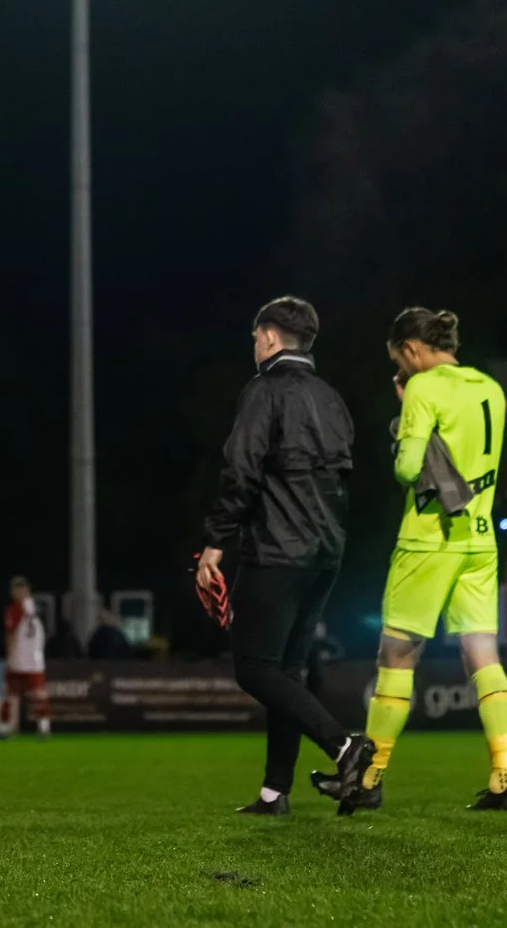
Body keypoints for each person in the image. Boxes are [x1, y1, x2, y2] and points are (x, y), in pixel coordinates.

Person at [326, 307, 507, 815]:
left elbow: (408, 468)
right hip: (479, 541)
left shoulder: (423, 389)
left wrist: (408, 409)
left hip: (429, 541)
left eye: (399, 362)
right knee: (483, 656)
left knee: (396, 660)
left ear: (411, 350)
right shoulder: (492, 389)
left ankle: (369, 780)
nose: (401, 372)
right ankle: (503, 779)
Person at [196, 296, 370, 817]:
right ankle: (275, 793)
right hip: (326, 552)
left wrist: (215, 542)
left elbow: (241, 471)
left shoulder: (263, 391)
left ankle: (344, 747)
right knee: (287, 674)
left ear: (270, 337)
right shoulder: (331, 397)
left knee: (255, 669)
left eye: (255, 337)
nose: (253, 345)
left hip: (278, 550)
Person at [0, 577, 50, 738]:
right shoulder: (39, 607)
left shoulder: (14, 609)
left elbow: (11, 634)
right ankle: (43, 727)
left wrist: (9, 657)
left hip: (19, 658)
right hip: (35, 659)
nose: (18, 592)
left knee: (10, 694)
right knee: (37, 694)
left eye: (20, 589)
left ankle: (4, 727)